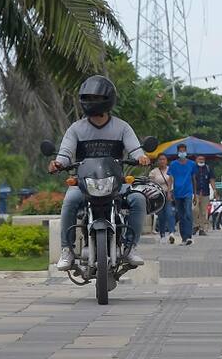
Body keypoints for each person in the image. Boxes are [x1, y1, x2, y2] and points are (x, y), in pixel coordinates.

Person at [51, 76, 151, 271]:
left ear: (107, 99)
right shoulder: (76, 129)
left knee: (138, 199)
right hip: (83, 183)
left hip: (117, 183)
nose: (92, 102)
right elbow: (65, 154)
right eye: (88, 98)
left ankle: (130, 247)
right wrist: (57, 163)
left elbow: (135, 150)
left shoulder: (122, 127)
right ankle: (67, 250)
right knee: (70, 200)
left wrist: (142, 157)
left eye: (96, 98)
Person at [168, 144, 198, 245]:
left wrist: (195, 194)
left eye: (183, 150)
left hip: (188, 192)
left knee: (188, 213)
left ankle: (189, 236)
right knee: (181, 216)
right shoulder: (173, 164)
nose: (182, 152)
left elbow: (194, 179)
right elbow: (170, 178)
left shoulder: (192, 164)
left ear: (186, 151)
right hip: (177, 193)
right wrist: (169, 191)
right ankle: (184, 238)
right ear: (177, 152)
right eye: (180, 151)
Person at [149, 154, 175, 243]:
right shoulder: (153, 172)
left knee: (169, 213)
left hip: (168, 193)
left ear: (166, 161)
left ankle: (171, 232)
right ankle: (162, 234)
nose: (162, 161)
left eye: (164, 159)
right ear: (157, 161)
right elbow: (151, 184)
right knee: (161, 215)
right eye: (160, 159)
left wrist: (169, 192)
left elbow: (171, 181)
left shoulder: (170, 170)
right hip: (158, 195)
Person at [193, 155, 216, 236]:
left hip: (205, 193)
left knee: (203, 212)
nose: (201, 160)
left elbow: (212, 179)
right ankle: (196, 225)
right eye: (199, 159)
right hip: (195, 192)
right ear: (196, 160)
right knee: (194, 210)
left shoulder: (208, 168)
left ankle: (201, 229)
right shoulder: (193, 168)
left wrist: (215, 190)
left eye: (203, 159)